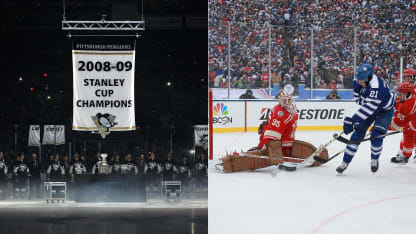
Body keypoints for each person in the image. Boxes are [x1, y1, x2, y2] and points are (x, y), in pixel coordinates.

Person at [337, 64, 395, 174]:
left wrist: (353, 120)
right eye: (359, 80)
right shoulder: (358, 80)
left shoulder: (377, 86)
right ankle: (345, 161)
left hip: (384, 110)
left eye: (362, 81)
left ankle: (374, 158)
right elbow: (359, 101)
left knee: (376, 136)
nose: (360, 83)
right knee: (357, 134)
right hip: (371, 107)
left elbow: (369, 107)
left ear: (369, 78)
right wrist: (355, 120)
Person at [389, 82, 416, 164]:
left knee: (409, 132)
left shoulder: (407, 105)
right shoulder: (413, 92)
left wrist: (381, 127)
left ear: (407, 94)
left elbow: (396, 125)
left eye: (400, 94)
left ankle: (405, 157)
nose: (398, 96)